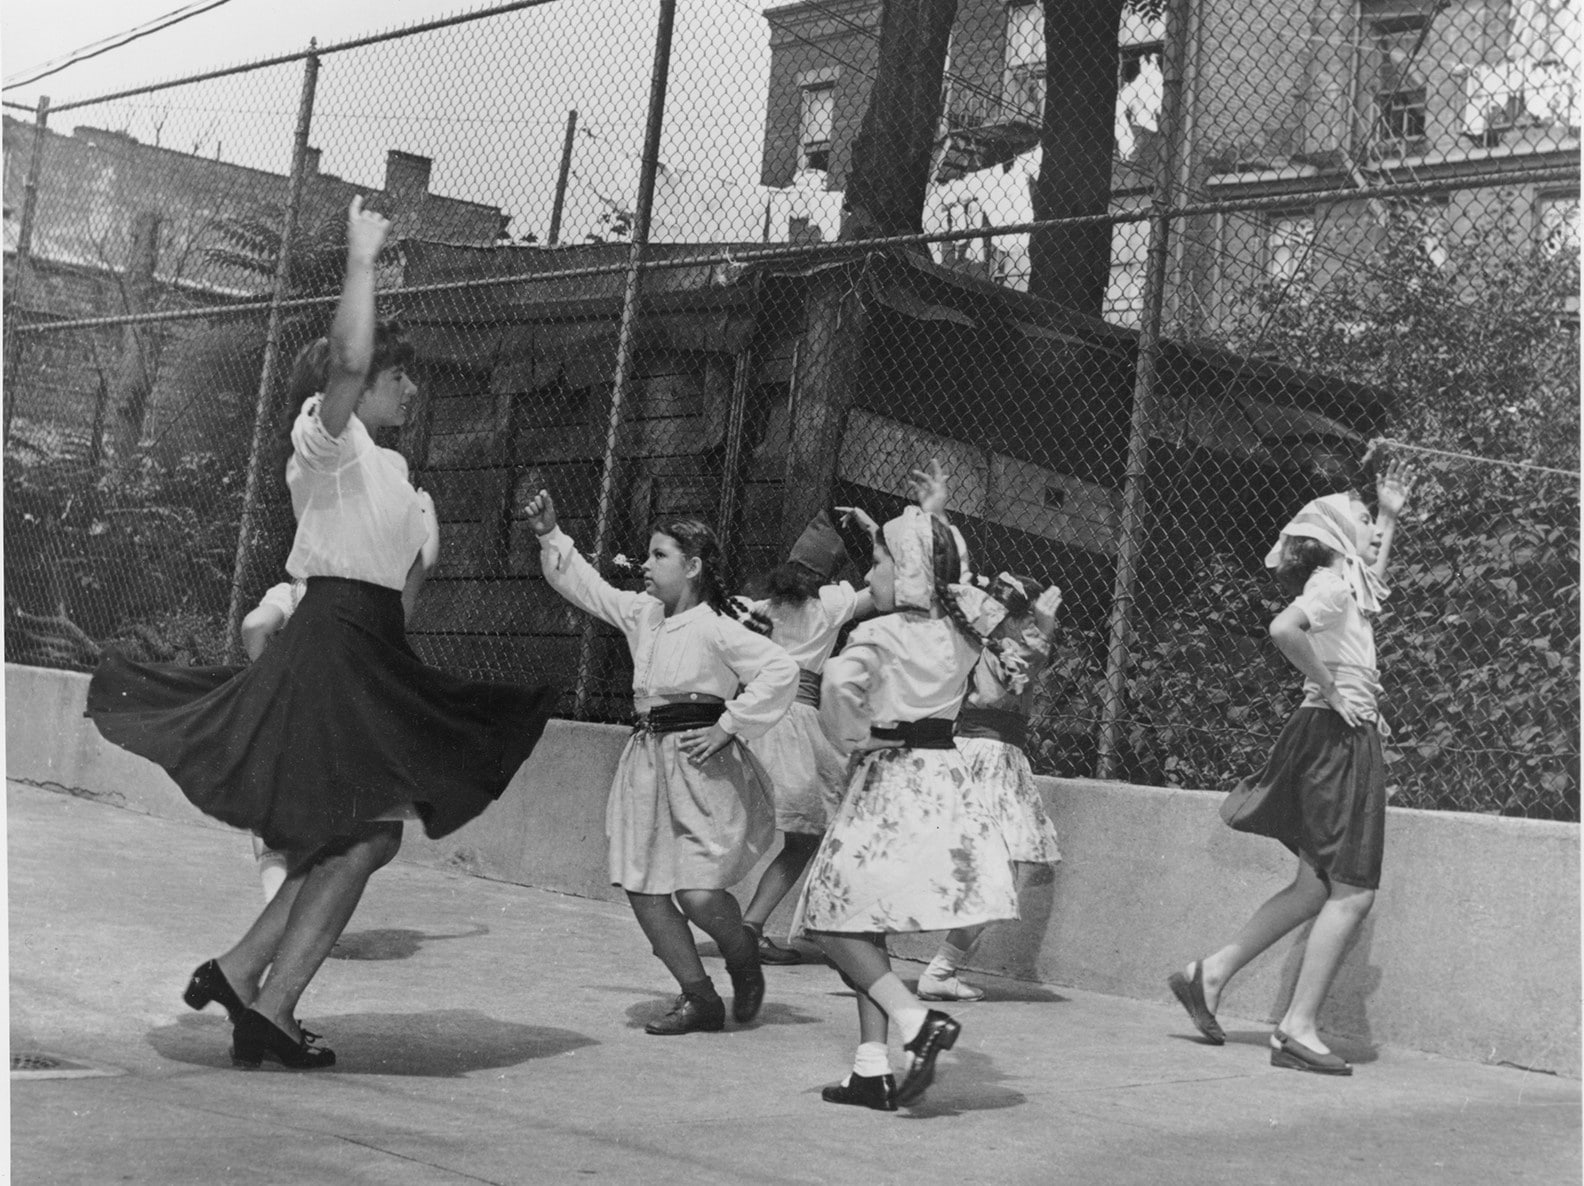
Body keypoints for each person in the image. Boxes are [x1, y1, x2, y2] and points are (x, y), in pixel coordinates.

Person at [87, 197, 559, 1070]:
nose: (410, 387)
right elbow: (346, 356)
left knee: (354, 835)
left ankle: (249, 984)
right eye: (397, 376)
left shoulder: (400, 478)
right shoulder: (324, 443)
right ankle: (262, 995)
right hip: (331, 643)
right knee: (365, 834)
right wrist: (363, 258)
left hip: (371, 652)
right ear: (355, 385)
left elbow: (404, 599)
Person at [1167, 458, 1416, 1076]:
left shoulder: (1348, 582)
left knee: (1314, 887)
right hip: (1336, 736)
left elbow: (1372, 574)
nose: (1374, 532)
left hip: (1333, 735)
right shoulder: (1331, 588)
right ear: (1336, 536)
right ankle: (1296, 1028)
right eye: (1362, 520)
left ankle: (1211, 973)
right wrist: (1333, 690)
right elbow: (1285, 628)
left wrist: (1388, 514)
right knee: (1352, 893)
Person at [523, 487, 799, 1035]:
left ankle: (740, 947)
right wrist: (549, 534)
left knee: (698, 893)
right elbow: (587, 588)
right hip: (647, 763)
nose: (645, 565)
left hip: (701, 768)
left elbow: (780, 671)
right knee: (645, 889)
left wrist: (728, 726)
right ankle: (699, 996)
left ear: (693, 566)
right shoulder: (642, 614)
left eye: (659, 556)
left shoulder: (718, 626)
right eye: (646, 555)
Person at [791, 462, 1017, 1111]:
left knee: (829, 918)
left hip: (888, 782)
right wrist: (934, 516)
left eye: (879, 567)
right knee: (866, 920)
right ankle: (870, 1067)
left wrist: (852, 735)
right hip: (944, 778)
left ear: (908, 574)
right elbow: (960, 579)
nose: (868, 577)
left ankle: (915, 1021)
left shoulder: (879, 633)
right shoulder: (965, 631)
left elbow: (836, 687)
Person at [916, 573, 1064, 1002]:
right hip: (988, 756)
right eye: (1026, 618)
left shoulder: (976, 639)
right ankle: (938, 967)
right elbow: (1007, 683)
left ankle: (879, 946)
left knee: (969, 863)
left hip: (974, 753)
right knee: (998, 871)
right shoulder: (999, 648)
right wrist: (1044, 629)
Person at [736, 512, 873, 964]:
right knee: (806, 836)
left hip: (754, 721)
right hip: (796, 726)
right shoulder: (830, 604)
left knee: (738, 823)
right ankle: (751, 926)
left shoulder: (757, 609)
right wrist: (875, 538)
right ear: (830, 574)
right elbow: (885, 593)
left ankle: (722, 918)